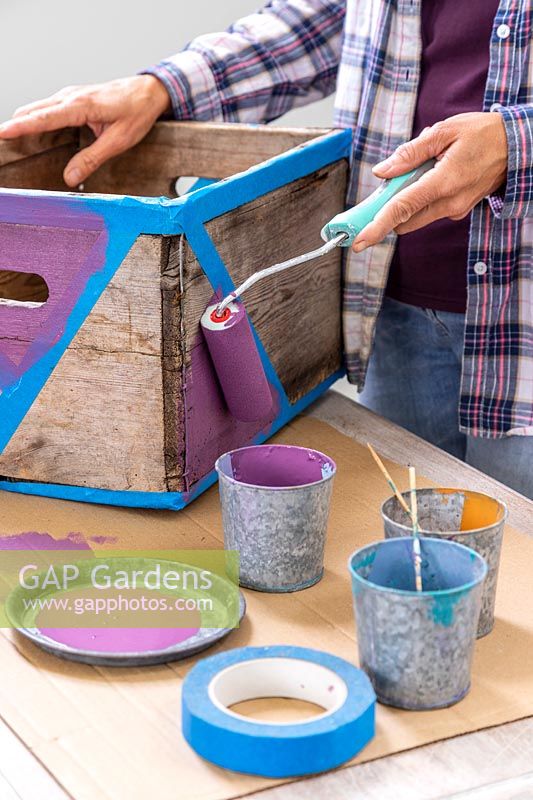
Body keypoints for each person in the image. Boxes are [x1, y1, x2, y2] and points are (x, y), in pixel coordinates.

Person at [1, 0, 532, 498]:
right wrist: (163, 86)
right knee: (404, 542)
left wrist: (516, 142)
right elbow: (327, 19)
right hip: (392, 305)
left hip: (520, 337)